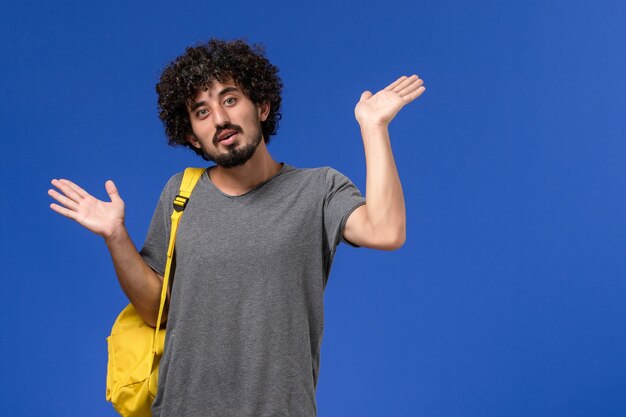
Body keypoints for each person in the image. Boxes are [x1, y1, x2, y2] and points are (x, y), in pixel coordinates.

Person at [48, 38, 425, 417]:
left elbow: (386, 230)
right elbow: (155, 312)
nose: (220, 119)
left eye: (229, 100)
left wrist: (373, 127)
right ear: (193, 136)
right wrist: (116, 237)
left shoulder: (318, 189)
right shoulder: (181, 193)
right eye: (201, 111)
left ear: (261, 106)